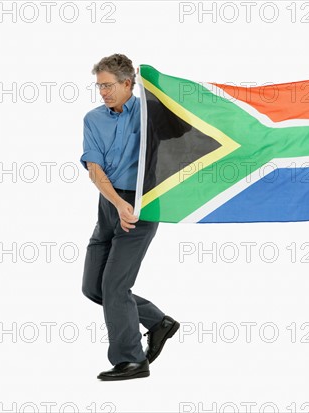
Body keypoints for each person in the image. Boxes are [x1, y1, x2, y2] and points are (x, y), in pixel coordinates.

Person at [80, 53, 180, 381]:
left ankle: (131, 360)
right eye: (99, 87)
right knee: (94, 287)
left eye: (108, 86)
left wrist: (160, 91)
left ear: (128, 84)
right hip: (110, 205)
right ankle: (157, 321)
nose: (103, 92)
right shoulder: (93, 119)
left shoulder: (151, 114)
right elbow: (94, 169)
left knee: (114, 284)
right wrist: (117, 205)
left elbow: (185, 130)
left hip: (144, 204)